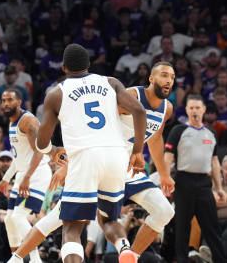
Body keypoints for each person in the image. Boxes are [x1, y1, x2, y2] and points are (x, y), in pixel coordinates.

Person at [10, 62, 178, 262]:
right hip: (100, 162)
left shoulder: (167, 108)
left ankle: (130, 255)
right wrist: (70, 166)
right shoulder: (131, 96)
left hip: (125, 170)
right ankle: (17, 258)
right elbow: (93, 130)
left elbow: (156, 138)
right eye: (164, 75)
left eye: (172, 77)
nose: (168, 80)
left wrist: (164, 174)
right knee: (55, 220)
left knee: (165, 211)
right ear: (151, 78)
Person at [35, 43, 147, 263]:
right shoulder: (110, 82)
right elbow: (139, 111)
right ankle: (124, 249)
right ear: (89, 65)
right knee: (109, 220)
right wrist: (138, 152)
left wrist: (53, 151)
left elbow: (41, 141)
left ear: (64, 67)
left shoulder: (56, 94)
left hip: (85, 156)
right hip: (116, 155)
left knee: (71, 228)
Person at [165, 94, 227, 263]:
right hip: (183, 182)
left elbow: (215, 162)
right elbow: (168, 157)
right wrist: (165, 179)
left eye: (197, 108)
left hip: (204, 185)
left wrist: (219, 187)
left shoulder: (211, 133)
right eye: (191, 108)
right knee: (182, 227)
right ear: (186, 110)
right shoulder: (178, 130)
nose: (194, 111)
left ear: (204, 110)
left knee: (212, 228)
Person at [0, 89, 51, 263]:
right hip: (23, 173)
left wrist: (26, 178)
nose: (6, 103)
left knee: (19, 216)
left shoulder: (28, 121)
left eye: (10, 100)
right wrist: (5, 179)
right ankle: (16, 258)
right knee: (10, 219)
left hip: (37, 173)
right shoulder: (12, 123)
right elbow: (19, 158)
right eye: (3, 100)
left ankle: (35, 259)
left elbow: (39, 152)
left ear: (19, 102)